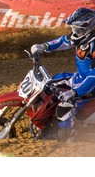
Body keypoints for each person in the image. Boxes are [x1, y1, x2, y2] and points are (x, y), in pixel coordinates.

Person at [31, 7, 95, 135]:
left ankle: (67, 137)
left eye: (77, 29)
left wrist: (74, 92)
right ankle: (46, 120)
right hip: (80, 78)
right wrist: (44, 46)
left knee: (65, 106)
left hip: (90, 85)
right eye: (73, 29)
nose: (74, 32)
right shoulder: (82, 37)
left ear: (88, 27)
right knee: (48, 85)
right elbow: (64, 41)